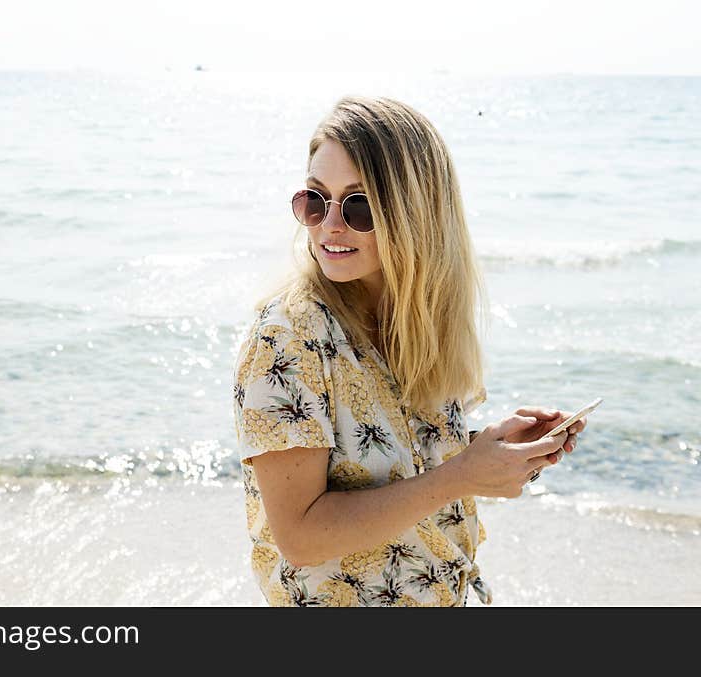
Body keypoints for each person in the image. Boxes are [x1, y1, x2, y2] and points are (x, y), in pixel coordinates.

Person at [231, 95, 587, 607]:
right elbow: (301, 536)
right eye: (315, 198)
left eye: (358, 206)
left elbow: (392, 462)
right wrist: (462, 476)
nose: (329, 224)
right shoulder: (288, 336)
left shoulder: (409, 323)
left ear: (415, 211)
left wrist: (491, 454)